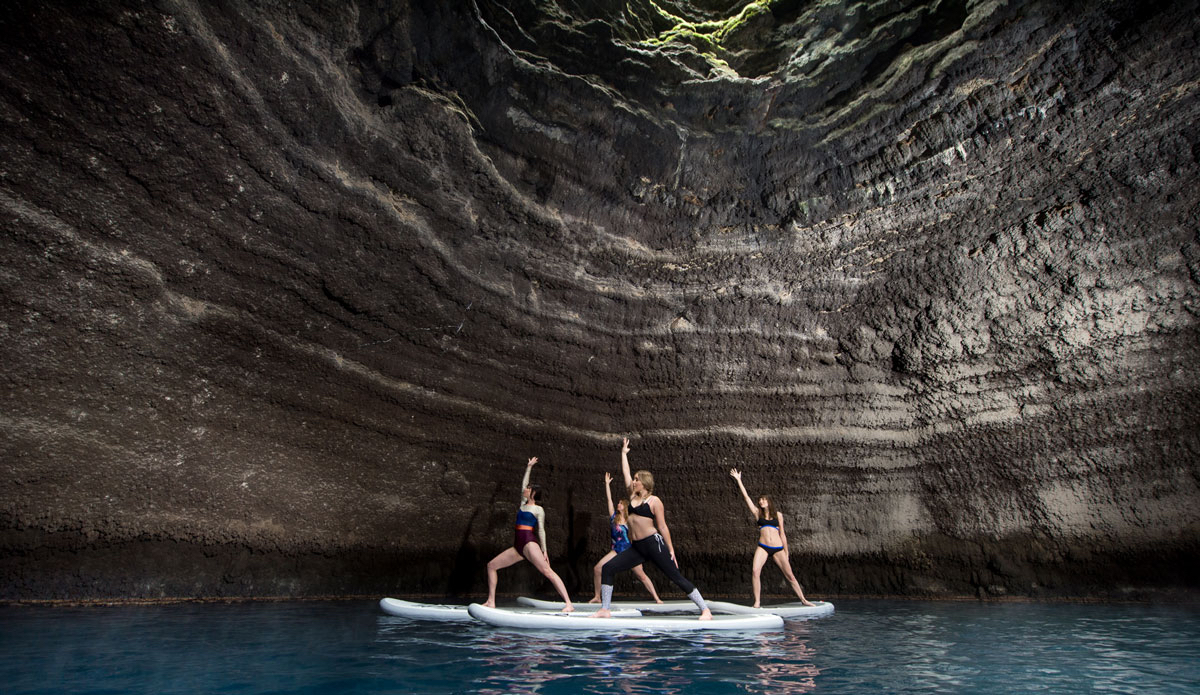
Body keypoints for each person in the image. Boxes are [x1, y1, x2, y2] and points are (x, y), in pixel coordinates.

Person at [591, 438, 712, 619]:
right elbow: (625, 472)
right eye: (634, 479)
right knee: (608, 568)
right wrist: (623, 454)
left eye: (637, 480)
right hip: (637, 547)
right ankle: (604, 609)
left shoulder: (654, 501)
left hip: (653, 544)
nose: (633, 481)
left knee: (675, 577)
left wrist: (671, 549)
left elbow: (662, 526)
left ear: (645, 483)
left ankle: (705, 609)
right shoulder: (632, 496)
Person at [482, 457, 574, 611]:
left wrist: (544, 550)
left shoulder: (538, 510)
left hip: (529, 543)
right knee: (491, 566)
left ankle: (569, 604)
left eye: (528, 489)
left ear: (533, 493)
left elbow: (541, 530)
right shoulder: (522, 504)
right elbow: (523, 484)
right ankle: (491, 601)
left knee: (547, 571)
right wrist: (529, 467)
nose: (525, 489)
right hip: (518, 545)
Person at [729, 468, 815, 608]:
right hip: (763, 547)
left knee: (790, 576)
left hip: (778, 548)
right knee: (755, 571)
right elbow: (746, 498)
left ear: (769, 501)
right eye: (760, 500)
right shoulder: (757, 513)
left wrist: (786, 552)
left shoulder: (778, 515)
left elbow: (783, 535)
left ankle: (804, 600)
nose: (761, 502)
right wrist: (739, 480)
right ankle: (757, 602)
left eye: (763, 500)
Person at [589, 471, 662, 604]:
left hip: (628, 550)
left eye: (621, 503)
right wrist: (607, 485)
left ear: (625, 507)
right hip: (616, 550)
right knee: (598, 568)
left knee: (641, 575)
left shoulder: (629, 520)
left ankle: (657, 598)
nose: (618, 504)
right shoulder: (614, 518)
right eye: (618, 503)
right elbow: (609, 500)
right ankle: (597, 596)